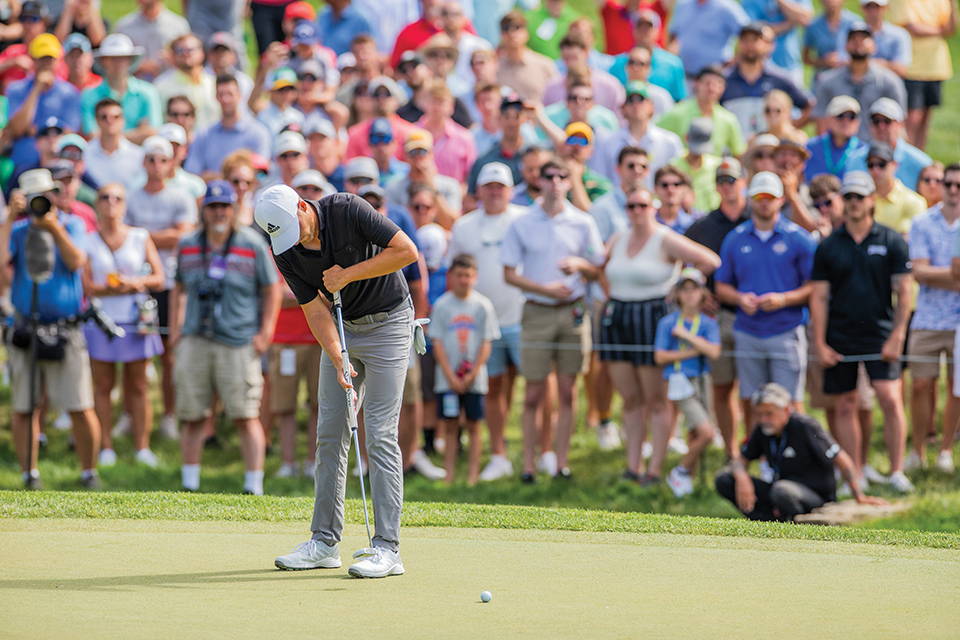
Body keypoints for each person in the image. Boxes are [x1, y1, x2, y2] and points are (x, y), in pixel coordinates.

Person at [257, 183, 419, 578]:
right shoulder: (285, 249)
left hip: (390, 324)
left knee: (379, 433)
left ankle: (387, 549)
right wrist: (338, 357)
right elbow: (315, 311)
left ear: (302, 204)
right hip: (343, 331)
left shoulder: (348, 209)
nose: (298, 241)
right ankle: (324, 542)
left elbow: (406, 252)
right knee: (329, 433)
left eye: (298, 228)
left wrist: (347, 275)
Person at [600, 186, 720, 485]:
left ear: (652, 206)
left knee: (656, 399)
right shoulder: (618, 238)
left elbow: (709, 261)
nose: (637, 211)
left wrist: (680, 292)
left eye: (642, 205)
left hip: (651, 317)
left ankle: (654, 468)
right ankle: (633, 466)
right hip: (619, 318)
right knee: (629, 398)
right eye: (631, 206)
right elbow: (597, 266)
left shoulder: (665, 238)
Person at [171, 181, 280, 494]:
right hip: (195, 337)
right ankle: (189, 485)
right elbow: (177, 285)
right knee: (192, 415)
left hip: (239, 340)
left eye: (224, 206)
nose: (218, 212)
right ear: (203, 210)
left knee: (245, 415)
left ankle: (253, 487)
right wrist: (176, 330)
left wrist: (265, 332)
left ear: (233, 209)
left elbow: (271, 287)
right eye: (213, 206)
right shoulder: (187, 243)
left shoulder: (252, 243)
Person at [501, 157, 606, 482]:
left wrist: (579, 264)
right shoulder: (522, 222)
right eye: (551, 176)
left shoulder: (582, 221)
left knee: (568, 390)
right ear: (540, 180)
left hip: (573, 311)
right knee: (533, 391)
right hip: (536, 310)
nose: (557, 181)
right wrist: (544, 287)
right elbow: (509, 274)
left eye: (564, 176)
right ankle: (529, 466)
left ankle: (561, 463)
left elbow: (597, 267)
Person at [810, 170, 914, 493]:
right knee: (844, 403)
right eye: (849, 197)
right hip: (839, 334)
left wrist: (898, 335)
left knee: (890, 399)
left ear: (872, 200)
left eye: (860, 197)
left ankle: (896, 471)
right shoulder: (829, 246)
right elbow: (819, 297)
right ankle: (853, 474)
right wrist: (819, 343)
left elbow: (905, 291)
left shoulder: (891, 239)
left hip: (880, 333)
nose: (854, 203)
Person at [0, 168, 102, 490]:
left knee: (81, 406)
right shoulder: (17, 230)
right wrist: (9, 219)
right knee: (24, 406)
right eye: (33, 198)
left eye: (44, 196)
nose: (39, 203)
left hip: (65, 330)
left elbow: (76, 261)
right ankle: (30, 474)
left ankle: (89, 473)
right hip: (25, 328)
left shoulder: (71, 225)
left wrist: (53, 228)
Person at [715, 172, 816, 428]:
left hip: (786, 329)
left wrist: (784, 299)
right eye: (759, 197)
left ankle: (792, 457)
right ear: (749, 199)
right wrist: (739, 298)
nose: (764, 203)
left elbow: (815, 286)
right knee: (750, 399)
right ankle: (758, 457)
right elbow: (721, 285)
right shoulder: (735, 239)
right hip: (748, 330)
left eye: (770, 197)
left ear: (781, 199)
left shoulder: (798, 238)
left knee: (789, 400)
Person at [447, 163, 526, 481]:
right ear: (478, 190)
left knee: (535, 386)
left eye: (501, 186)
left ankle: (545, 455)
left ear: (509, 190)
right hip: (480, 322)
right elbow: (453, 271)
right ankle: (499, 453)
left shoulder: (525, 219)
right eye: (489, 186)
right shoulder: (464, 226)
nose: (495, 191)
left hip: (522, 317)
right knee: (493, 387)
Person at [81, 183, 165, 468]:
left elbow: (159, 277)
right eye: (105, 197)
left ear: (125, 204)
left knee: (138, 385)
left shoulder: (140, 236)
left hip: (136, 319)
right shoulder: (89, 239)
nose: (111, 202)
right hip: (103, 320)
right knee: (103, 385)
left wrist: (135, 283)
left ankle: (142, 447)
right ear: (97, 204)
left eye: (117, 197)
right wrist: (110, 288)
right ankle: (105, 446)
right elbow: (87, 284)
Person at [715, 383, 885, 521]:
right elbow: (740, 460)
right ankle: (766, 522)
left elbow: (841, 458)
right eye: (760, 414)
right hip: (781, 489)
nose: (764, 419)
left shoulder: (805, 426)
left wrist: (859, 496)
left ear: (786, 411)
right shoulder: (763, 429)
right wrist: (742, 477)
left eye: (769, 414)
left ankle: (793, 522)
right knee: (724, 479)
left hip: (815, 496)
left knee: (781, 491)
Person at [125, 136, 199, 440]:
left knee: (169, 354)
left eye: (162, 159)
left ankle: (169, 415)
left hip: (170, 285)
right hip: (140, 285)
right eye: (151, 159)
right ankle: (129, 414)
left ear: (171, 163)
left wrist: (141, 237)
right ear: (144, 162)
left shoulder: (180, 197)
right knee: (133, 354)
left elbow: (183, 237)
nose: (156, 165)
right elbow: (128, 236)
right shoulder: (131, 197)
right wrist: (161, 236)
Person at [685, 158, 750, 457]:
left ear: (743, 182)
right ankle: (731, 450)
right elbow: (683, 267)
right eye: (722, 181)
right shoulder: (703, 226)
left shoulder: (757, 217)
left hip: (757, 317)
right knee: (722, 388)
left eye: (732, 180)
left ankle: (754, 448)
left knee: (752, 390)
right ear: (715, 187)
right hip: (718, 315)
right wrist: (698, 294)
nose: (727, 186)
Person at [907, 163, 960, 474]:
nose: (953, 189)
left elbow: (928, 271)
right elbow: (919, 272)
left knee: (956, 387)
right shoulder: (922, 222)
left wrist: (934, 273)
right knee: (920, 385)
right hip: (927, 316)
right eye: (947, 183)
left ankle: (945, 450)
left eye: (957, 185)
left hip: (958, 320)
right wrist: (953, 274)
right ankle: (916, 451)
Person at [429, 253, 500, 485]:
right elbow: (436, 342)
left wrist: (473, 373)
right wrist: (450, 375)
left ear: (475, 277)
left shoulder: (483, 306)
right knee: (450, 426)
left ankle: (472, 476)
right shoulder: (442, 305)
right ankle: (449, 474)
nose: (463, 280)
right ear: (451, 276)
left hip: (475, 379)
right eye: (459, 275)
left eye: (468, 276)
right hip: (446, 379)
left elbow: (486, 342)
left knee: (473, 425)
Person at [654, 268, 721, 497]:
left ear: (702, 293)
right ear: (678, 294)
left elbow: (714, 351)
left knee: (696, 432)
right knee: (706, 432)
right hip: (678, 380)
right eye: (685, 290)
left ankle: (687, 483)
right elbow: (660, 356)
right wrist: (692, 351)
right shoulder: (668, 322)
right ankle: (680, 472)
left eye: (694, 289)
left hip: (702, 378)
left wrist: (688, 337)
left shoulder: (707, 323)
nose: (690, 295)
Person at [811, 22, 906, 142]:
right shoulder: (827, 81)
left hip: (877, 152)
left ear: (874, 45)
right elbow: (821, 124)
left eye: (864, 38)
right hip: (840, 153)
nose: (858, 42)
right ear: (845, 45)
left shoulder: (890, 81)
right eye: (853, 38)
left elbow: (900, 124)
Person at [720, 22, 813, 140]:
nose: (750, 45)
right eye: (745, 40)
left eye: (755, 40)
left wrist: (788, 127)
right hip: (733, 149)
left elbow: (809, 105)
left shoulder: (779, 79)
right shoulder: (724, 80)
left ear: (766, 44)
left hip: (769, 152)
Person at [889, 0, 957, 149]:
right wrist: (941, 31)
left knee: (925, 120)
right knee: (911, 120)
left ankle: (919, 158)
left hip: (934, 68)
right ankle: (905, 157)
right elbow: (913, 27)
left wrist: (953, 5)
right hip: (912, 68)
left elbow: (951, 29)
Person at [592, 81, 684, 191]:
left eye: (641, 99)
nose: (636, 105)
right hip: (619, 203)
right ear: (623, 107)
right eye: (631, 100)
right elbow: (601, 179)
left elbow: (678, 180)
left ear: (651, 105)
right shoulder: (608, 142)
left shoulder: (670, 141)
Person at [184, 73, 272, 182]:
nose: (226, 99)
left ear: (240, 95)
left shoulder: (258, 133)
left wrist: (216, 177)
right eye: (221, 94)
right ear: (216, 97)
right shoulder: (203, 135)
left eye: (230, 94)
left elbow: (261, 175)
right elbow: (192, 177)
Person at [80, 33, 162, 143]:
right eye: (112, 58)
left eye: (122, 58)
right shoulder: (89, 94)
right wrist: (138, 133)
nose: (118, 63)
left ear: (130, 60)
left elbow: (152, 132)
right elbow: (92, 135)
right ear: (103, 61)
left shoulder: (148, 92)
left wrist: (109, 135)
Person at [657, 65, 746, 159]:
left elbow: (738, 152)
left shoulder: (728, 119)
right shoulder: (677, 113)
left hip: (713, 172)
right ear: (697, 83)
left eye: (718, 84)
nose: (712, 88)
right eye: (707, 83)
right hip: (681, 171)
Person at [846, 98, 932, 192]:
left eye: (887, 121)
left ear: (900, 125)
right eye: (876, 121)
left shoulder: (921, 163)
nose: (881, 126)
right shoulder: (854, 160)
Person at [152, 34, 219, 134]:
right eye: (180, 50)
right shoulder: (160, 87)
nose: (186, 53)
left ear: (202, 53)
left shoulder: (214, 83)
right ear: (173, 56)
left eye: (191, 49)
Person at [666, 0, 749, 77]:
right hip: (685, 76)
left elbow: (747, 33)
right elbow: (673, 34)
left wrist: (734, 61)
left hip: (715, 79)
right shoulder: (683, 4)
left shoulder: (727, 7)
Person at [113, 0, 191, 80]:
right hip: (135, 84)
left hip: (170, 84)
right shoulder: (124, 27)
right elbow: (113, 62)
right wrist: (136, 65)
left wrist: (173, 60)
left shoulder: (179, 26)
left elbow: (191, 60)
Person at [835, 0, 911, 79]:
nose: (872, 10)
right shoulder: (850, 32)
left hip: (887, 87)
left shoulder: (899, 34)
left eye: (876, 7)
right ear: (862, 8)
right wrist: (885, 64)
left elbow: (901, 70)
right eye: (868, 6)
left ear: (885, 8)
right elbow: (840, 63)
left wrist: (861, 62)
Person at [83, 98, 145, 191]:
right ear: (97, 121)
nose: (110, 121)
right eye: (104, 117)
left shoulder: (139, 155)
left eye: (116, 117)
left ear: (123, 120)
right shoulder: (84, 154)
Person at [495, 10, 557, 103]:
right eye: (506, 28)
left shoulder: (544, 65)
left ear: (526, 33)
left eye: (517, 27)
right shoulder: (495, 67)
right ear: (502, 35)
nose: (512, 33)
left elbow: (555, 100)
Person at [867, 142, 927, 236]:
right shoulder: (862, 199)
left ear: (895, 165)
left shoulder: (914, 201)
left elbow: (912, 240)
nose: (876, 170)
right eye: (871, 165)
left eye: (882, 165)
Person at [804, 96, 868, 183]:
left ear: (858, 122)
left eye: (852, 117)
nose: (846, 121)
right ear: (828, 119)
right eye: (840, 116)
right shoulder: (810, 148)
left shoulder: (864, 151)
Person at [670, 118, 721, 214]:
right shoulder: (673, 168)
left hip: (713, 220)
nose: (698, 153)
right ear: (686, 137)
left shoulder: (717, 165)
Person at [802, 0, 858, 86]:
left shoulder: (855, 23)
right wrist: (823, 62)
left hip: (849, 78)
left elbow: (864, 53)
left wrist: (843, 60)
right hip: (822, 78)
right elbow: (806, 58)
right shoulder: (813, 25)